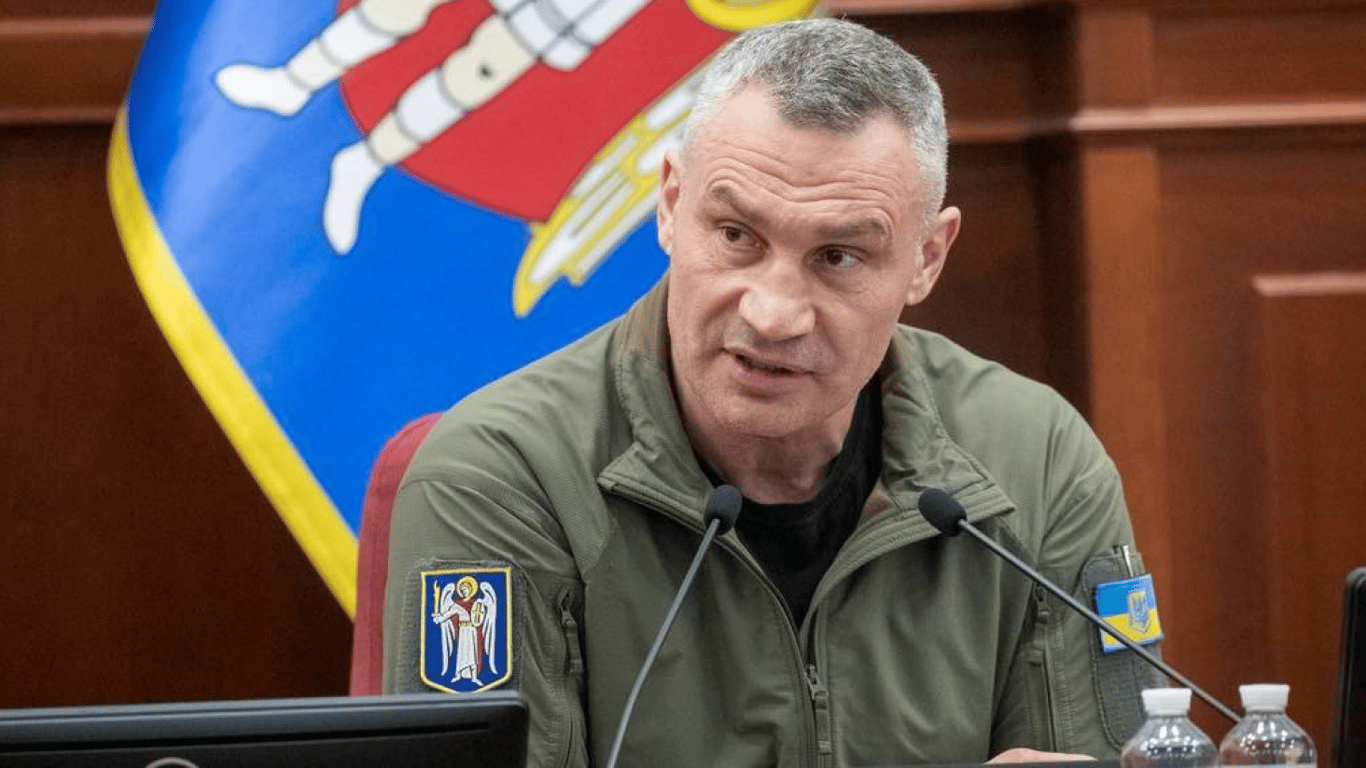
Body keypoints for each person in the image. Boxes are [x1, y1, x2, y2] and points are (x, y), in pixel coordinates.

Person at [383, 17, 1164, 766]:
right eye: (736, 236)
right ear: (670, 205)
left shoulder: (1039, 463)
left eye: (838, 256)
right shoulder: (501, 478)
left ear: (926, 258)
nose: (773, 314)